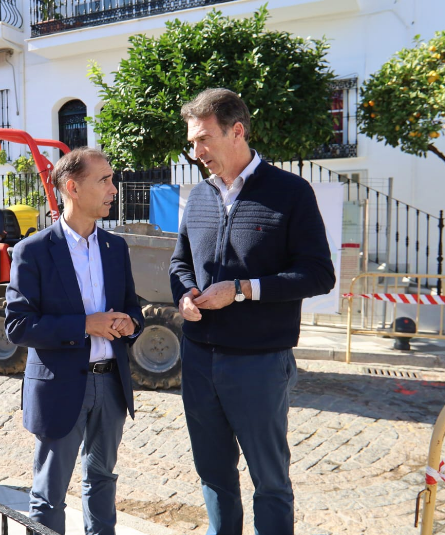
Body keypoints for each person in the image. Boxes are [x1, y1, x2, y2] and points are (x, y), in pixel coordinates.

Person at [169, 88, 336, 535]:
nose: (196, 151)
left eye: (203, 139)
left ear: (237, 131)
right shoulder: (198, 196)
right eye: (192, 142)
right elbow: (179, 262)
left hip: (260, 364)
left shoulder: (291, 193)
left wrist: (242, 290)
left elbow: (319, 275)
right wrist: (184, 294)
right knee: (214, 474)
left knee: (270, 481)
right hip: (199, 360)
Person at [5, 147, 144, 535]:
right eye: (104, 180)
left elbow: (135, 311)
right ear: (72, 187)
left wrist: (127, 324)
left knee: (102, 480)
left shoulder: (116, 248)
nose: (113, 189)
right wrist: (86, 325)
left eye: (112, 179)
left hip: (111, 384)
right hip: (61, 388)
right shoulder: (32, 251)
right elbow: (17, 326)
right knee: (49, 494)